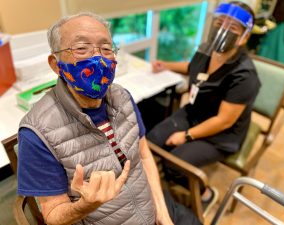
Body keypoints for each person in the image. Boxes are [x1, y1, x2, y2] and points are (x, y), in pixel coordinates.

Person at [17, 12, 202, 225]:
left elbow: (143, 156)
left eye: (106, 48)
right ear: (56, 63)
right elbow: (52, 215)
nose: (99, 58)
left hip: (153, 206)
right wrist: (85, 206)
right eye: (81, 48)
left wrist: (162, 213)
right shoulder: (36, 132)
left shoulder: (122, 97)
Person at [147, 1, 261, 217]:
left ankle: (206, 194)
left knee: (177, 163)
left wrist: (186, 136)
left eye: (232, 28)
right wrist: (167, 65)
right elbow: (193, 69)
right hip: (194, 112)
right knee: (152, 140)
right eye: (219, 23)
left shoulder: (244, 76)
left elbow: (224, 121)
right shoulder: (207, 49)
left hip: (221, 133)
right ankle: (165, 185)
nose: (223, 30)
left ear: (244, 36)